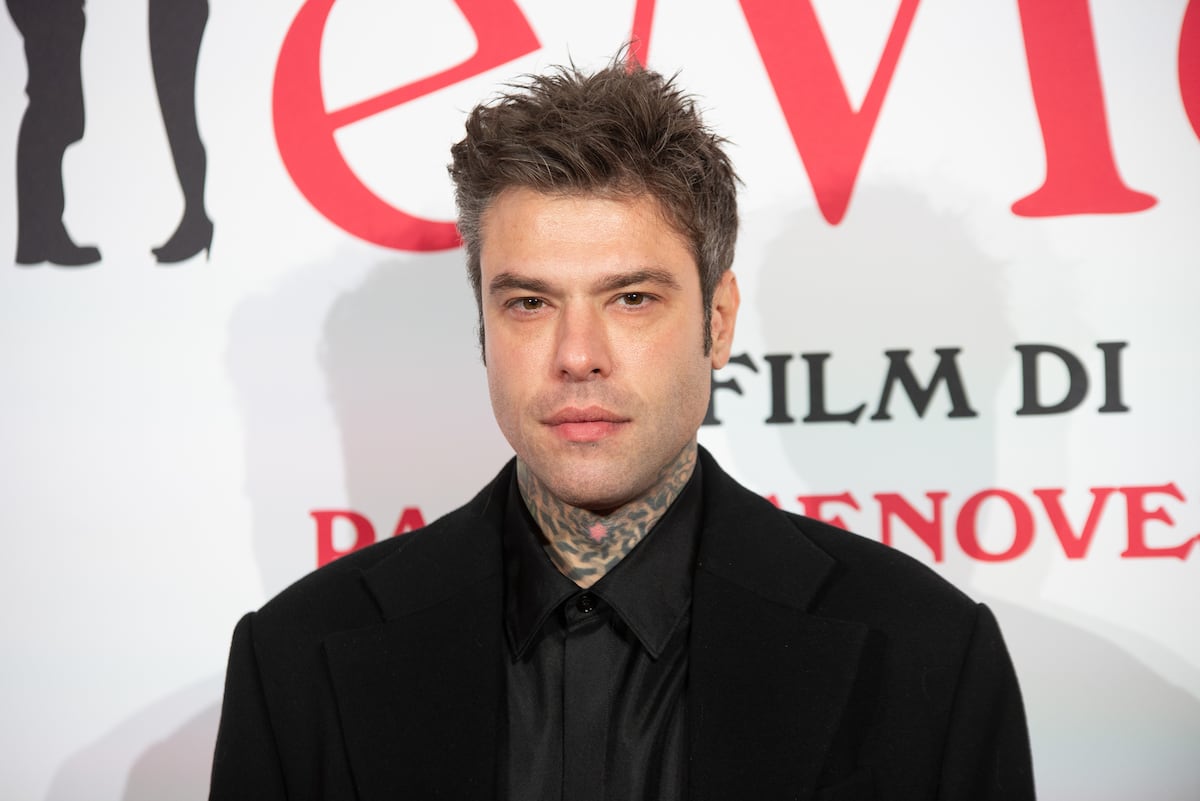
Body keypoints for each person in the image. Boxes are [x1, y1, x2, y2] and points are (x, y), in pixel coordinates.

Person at [209, 56, 1035, 801]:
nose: (578, 355)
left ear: (718, 321)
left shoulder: (927, 655)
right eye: (529, 302)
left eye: (631, 298)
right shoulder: (296, 661)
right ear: (483, 327)